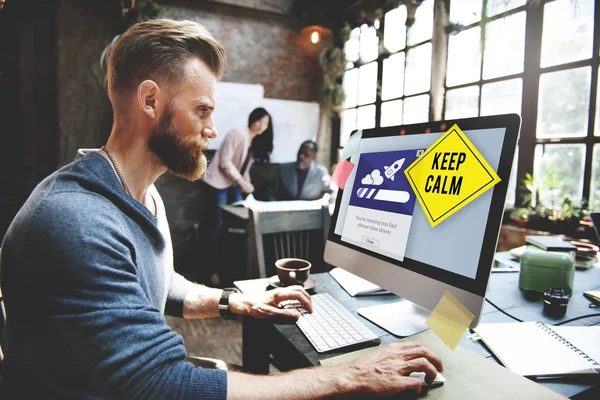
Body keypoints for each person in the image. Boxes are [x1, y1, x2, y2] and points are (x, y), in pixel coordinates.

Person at [0, 19, 443, 399]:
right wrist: (350, 376)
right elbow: (166, 384)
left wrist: (239, 303)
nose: (212, 129)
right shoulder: (75, 221)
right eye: (203, 110)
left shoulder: (140, 194)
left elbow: (160, 284)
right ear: (150, 101)